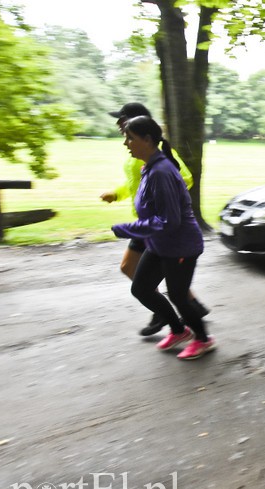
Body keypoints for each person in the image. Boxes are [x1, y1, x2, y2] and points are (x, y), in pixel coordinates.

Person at [100, 103, 208, 336]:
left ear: (145, 136)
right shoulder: (140, 158)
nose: (119, 127)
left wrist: (166, 194)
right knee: (142, 281)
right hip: (150, 227)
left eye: (123, 122)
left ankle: (183, 318)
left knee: (154, 280)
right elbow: (133, 185)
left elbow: (184, 180)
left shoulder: (160, 165)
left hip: (160, 228)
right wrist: (118, 194)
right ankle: (178, 313)